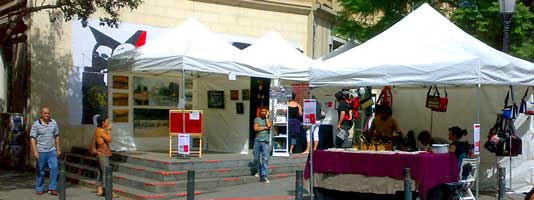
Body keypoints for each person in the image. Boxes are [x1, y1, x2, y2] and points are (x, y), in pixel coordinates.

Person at [30, 107, 60, 195]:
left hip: (52, 150)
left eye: (48, 113)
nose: (47, 115)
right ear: (41, 114)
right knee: (40, 170)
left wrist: (58, 149)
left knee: (54, 168)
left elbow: (57, 136)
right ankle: (39, 188)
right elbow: (32, 138)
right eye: (45, 113)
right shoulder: (36, 124)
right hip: (41, 151)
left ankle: (52, 188)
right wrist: (35, 151)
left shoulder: (53, 122)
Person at [94, 115, 118, 197]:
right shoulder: (100, 130)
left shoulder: (98, 130)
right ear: (103, 122)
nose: (108, 122)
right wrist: (108, 130)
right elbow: (109, 139)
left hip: (100, 153)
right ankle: (108, 190)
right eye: (107, 121)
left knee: (100, 172)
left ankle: (99, 189)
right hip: (102, 154)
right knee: (106, 172)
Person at [253, 106, 272, 184]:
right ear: (260, 112)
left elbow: (269, 126)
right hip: (257, 141)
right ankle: (259, 170)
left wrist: (267, 118)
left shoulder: (269, 120)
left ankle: (264, 175)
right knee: (256, 158)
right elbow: (255, 129)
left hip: (265, 142)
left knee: (265, 159)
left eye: (265, 111)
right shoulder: (257, 119)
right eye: (262, 111)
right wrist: (264, 127)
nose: (263, 113)